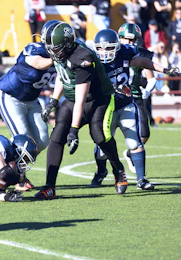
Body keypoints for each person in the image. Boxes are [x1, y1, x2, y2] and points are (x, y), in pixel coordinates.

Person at [35, 21, 127, 200]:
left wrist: (74, 131)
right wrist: (53, 101)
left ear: (68, 44)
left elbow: (81, 99)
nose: (52, 52)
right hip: (73, 98)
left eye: (56, 48)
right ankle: (49, 187)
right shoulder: (63, 53)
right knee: (56, 137)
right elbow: (63, 75)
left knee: (99, 135)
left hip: (98, 99)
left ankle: (118, 170)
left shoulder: (83, 58)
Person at [90, 29, 178, 190]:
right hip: (104, 108)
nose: (104, 52)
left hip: (125, 105)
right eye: (100, 48)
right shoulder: (91, 59)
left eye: (108, 48)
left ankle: (141, 179)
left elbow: (143, 61)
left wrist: (165, 70)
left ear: (117, 46)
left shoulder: (125, 51)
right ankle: (101, 171)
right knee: (102, 148)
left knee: (134, 142)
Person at [0, 40, 52, 190]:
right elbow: (37, 63)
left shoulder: (62, 58)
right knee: (22, 138)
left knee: (42, 140)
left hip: (32, 100)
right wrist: (56, 59)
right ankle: (17, 177)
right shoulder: (36, 49)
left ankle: (10, 165)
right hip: (10, 96)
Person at [116, 23, 157, 172]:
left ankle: (129, 153)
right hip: (116, 98)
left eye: (133, 40)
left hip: (135, 98)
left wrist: (147, 89)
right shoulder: (112, 53)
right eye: (127, 40)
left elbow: (151, 77)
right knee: (104, 135)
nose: (130, 43)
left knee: (144, 133)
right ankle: (101, 169)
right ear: (120, 39)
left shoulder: (141, 54)